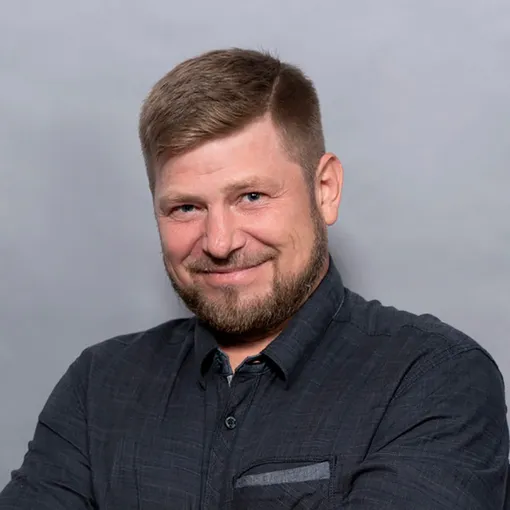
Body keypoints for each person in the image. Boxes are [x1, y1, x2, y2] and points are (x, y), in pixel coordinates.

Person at [0, 48, 508, 510]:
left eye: (251, 197)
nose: (219, 242)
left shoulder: (433, 378)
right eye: (185, 207)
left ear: (325, 190)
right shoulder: (99, 386)